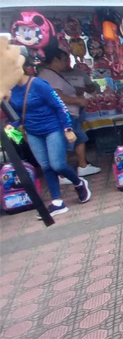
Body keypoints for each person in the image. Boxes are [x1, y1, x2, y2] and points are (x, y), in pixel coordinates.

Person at [6, 71, 91, 217]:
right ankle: (57, 202)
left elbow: (59, 106)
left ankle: (79, 183)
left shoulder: (38, 84)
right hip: (33, 132)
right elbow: (18, 113)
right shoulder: (11, 89)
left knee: (57, 165)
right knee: (46, 167)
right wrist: (12, 125)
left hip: (53, 128)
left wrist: (68, 128)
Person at [38, 47, 102, 185]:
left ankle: (82, 166)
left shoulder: (53, 74)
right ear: (55, 59)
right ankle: (62, 173)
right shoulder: (49, 75)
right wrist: (77, 101)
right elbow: (56, 95)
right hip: (63, 115)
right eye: (64, 59)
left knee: (78, 138)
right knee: (65, 143)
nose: (67, 63)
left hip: (69, 114)